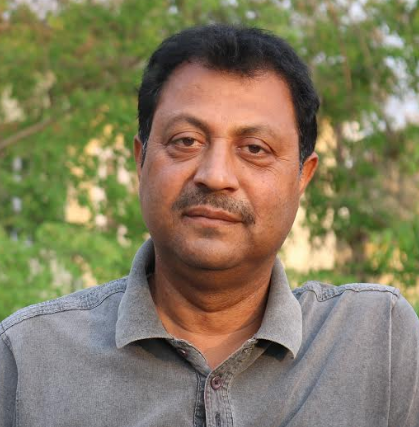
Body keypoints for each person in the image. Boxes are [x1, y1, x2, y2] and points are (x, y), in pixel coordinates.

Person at [1, 24, 418, 427]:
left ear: (302, 177)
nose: (216, 175)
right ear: (140, 161)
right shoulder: (29, 359)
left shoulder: (377, 340)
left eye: (254, 148)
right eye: (186, 141)